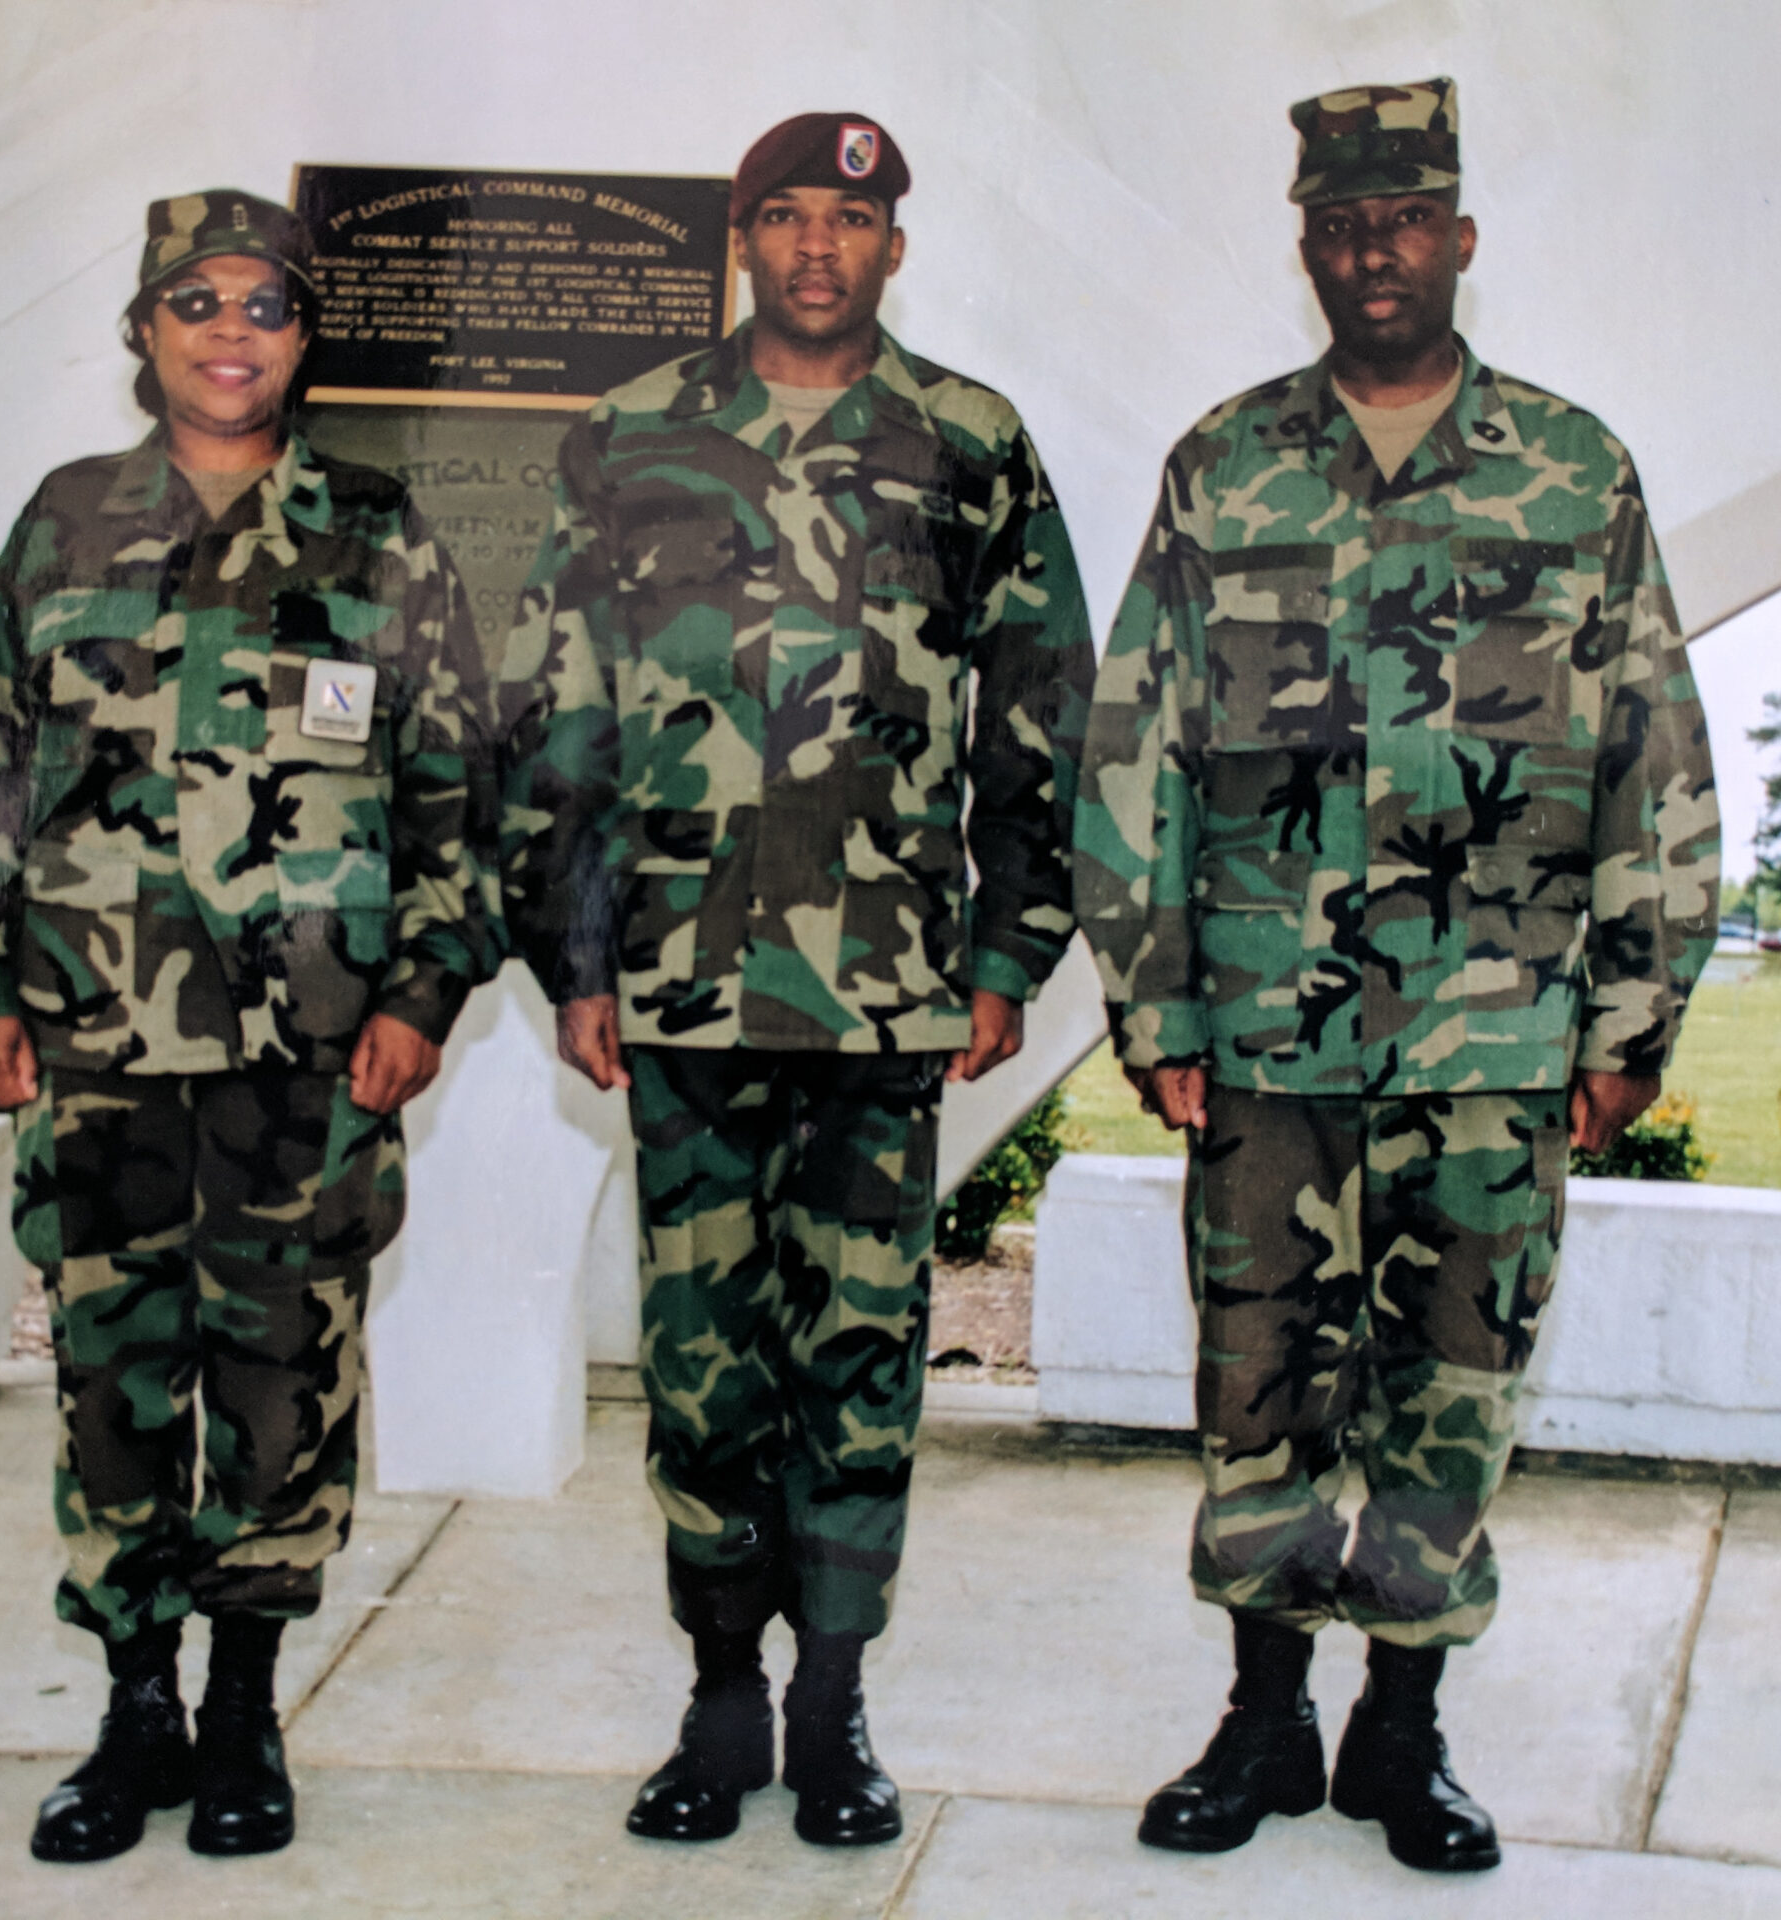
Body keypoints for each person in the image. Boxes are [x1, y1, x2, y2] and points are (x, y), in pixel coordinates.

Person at [1073, 79, 1718, 1874]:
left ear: (1461, 238)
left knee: (1454, 1383)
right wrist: (1155, 1001)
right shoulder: (1228, 466)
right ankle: (1265, 1723)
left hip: (1497, 1033)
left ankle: (1404, 1737)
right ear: (1309, 248)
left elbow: (1654, 757)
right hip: (1269, 1037)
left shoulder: (1573, 472)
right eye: (1344, 226)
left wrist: (1629, 1019)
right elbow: (1136, 751)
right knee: (1260, 1373)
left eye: (1407, 220)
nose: (1377, 252)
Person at [498, 112, 1094, 1849]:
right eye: (787, 216)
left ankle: (832, 1711)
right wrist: (576, 957)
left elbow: (1039, 716)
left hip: (890, 989)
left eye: (852, 217)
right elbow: (563, 712)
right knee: (700, 1363)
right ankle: (718, 1704)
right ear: (741, 240)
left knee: (859, 1354)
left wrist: (1009, 948)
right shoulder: (627, 439)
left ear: (895, 246)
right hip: (684, 984)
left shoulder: (968, 443)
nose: (819, 245)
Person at [0, 189, 497, 1864]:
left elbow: (460, 794)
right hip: (93, 1048)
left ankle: (244, 1711)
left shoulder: (381, 537)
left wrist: (422, 997)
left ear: (306, 340)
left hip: (302, 1062)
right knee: (112, 1383)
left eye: (267, 306)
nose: (233, 333)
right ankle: (131, 1712)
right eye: (197, 302)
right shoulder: (65, 524)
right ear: (144, 331)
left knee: (284, 1380)